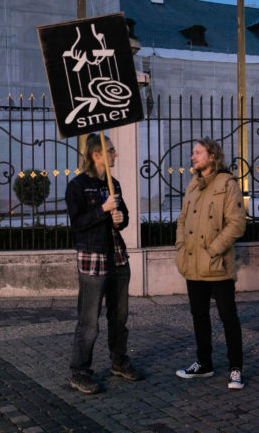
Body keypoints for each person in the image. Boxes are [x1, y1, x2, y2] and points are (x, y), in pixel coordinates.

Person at [65, 133, 143, 394]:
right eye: (110, 150)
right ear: (96, 154)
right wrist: (103, 209)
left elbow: (124, 217)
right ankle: (79, 372)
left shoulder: (114, 184)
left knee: (119, 317)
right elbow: (77, 223)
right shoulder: (77, 186)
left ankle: (119, 362)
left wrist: (120, 219)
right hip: (93, 260)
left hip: (117, 257)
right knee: (89, 321)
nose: (115, 154)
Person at [174, 138, 247, 390]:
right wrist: (180, 248)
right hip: (193, 264)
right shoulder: (193, 183)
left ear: (212, 156)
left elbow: (237, 224)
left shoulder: (227, 184)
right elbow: (182, 219)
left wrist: (213, 250)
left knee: (228, 317)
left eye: (198, 152)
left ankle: (235, 368)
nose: (192, 156)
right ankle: (204, 363)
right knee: (199, 316)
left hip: (218, 266)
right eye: (192, 153)